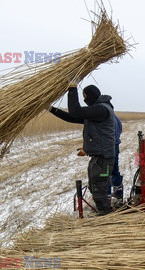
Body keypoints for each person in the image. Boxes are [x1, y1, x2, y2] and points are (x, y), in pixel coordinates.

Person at [49, 82, 115, 216]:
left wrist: (72, 88)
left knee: (98, 189)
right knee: (94, 187)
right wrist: (50, 109)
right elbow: (71, 117)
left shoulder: (101, 109)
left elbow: (76, 111)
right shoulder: (96, 111)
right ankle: (104, 211)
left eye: (85, 96)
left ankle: (106, 217)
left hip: (103, 158)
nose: (84, 99)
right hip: (98, 157)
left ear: (91, 95)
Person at [109, 113, 123, 203]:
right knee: (114, 171)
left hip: (109, 147)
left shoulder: (108, 117)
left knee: (105, 173)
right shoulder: (116, 118)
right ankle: (118, 192)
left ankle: (106, 197)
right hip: (115, 146)